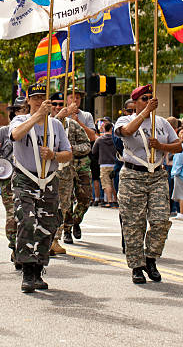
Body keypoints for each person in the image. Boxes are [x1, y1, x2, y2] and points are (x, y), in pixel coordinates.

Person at [115, 85, 182, 284]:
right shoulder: (125, 119)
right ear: (135, 103)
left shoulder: (161, 122)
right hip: (133, 175)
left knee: (161, 220)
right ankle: (136, 266)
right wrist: (144, 112)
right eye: (144, 98)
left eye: (151, 98)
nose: (149, 101)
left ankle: (150, 258)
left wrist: (161, 146)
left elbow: (178, 146)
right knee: (134, 223)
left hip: (157, 175)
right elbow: (126, 132)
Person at [10, 84, 71, 292]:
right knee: (27, 221)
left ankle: (38, 269)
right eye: (35, 97)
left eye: (42, 97)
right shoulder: (20, 120)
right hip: (25, 178)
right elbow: (15, 135)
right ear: (28, 100)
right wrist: (37, 117)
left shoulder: (56, 126)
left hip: (49, 179)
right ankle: (27, 270)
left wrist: (54, 155)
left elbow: (68, 153)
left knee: (47, 226)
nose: (38, 101)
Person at [0, 96, 28, 267]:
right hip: (8, 180)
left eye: (26, 109)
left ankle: (26, 249)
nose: (24, 112)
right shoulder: (3, 132)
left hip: (28, 178)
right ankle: (15, 247)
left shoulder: (35, 129)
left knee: (27, 216)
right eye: (20, 110)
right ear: (14, 113)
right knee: (12, 215)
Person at [50, 91, 91, 254]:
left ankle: (55, 240)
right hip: (45, 173)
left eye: (61, 104)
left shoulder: (72, 125)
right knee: (46, 206)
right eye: (55, 104)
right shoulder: (43, 123)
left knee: (63, 207)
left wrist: (73, 149)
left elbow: (86, 145)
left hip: (66, 172)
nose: (58, 107)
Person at [92, 122, 118, 207]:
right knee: (114, 183)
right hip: (114, 163)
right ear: (111, 129)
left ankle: (109, 201)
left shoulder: (100, 139)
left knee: (106, 183)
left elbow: (94, 151)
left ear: (104, 129)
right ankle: (116, 200)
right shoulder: (115, 139)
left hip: (104, 164)